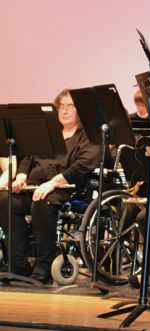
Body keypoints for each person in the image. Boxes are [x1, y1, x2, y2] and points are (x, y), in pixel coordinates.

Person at [0, 89, 102, 283]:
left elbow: (83, 166)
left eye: (70, 106)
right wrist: (21, 177)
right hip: (34, 186)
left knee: (42, 203)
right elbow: (28, 157)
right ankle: (17, 264)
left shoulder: (88, 135)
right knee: (6, 201)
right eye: (61, 106)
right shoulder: (47, 132)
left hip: (68, 189)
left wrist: (52, 183)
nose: (64, 111)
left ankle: (44, 264)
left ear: (79, 110)